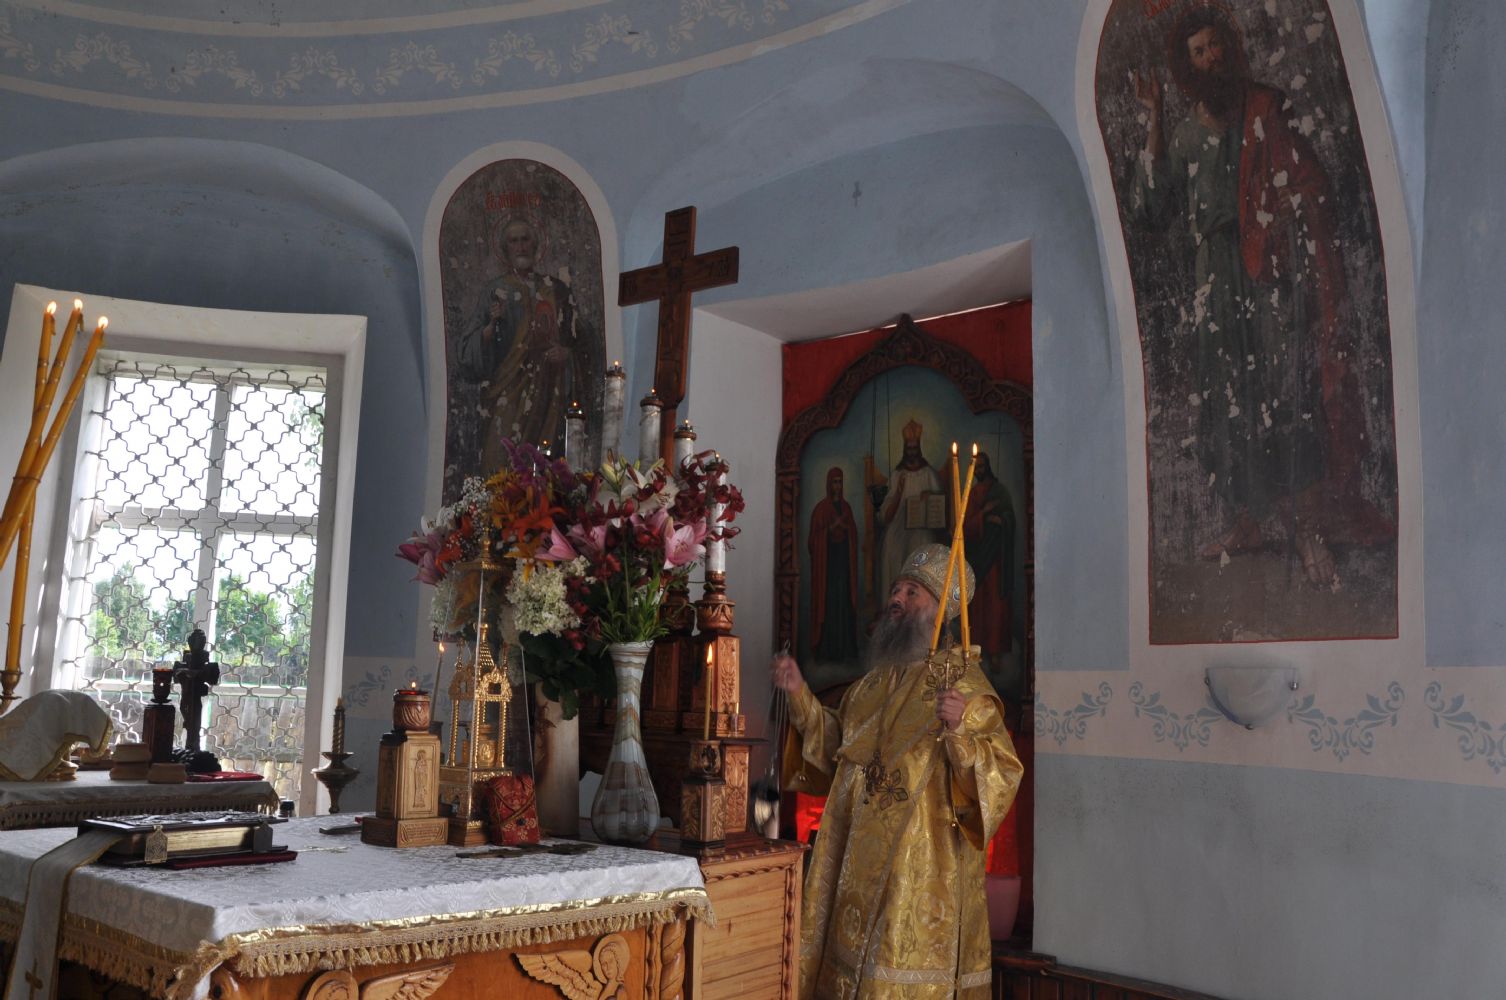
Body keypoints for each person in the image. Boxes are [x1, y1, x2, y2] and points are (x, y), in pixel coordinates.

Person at [1129, 3, 1392, 586]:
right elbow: (1152, 208)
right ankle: (1246, 521)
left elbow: (1312, 182)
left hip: (1267, 271)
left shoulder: (1266, 107)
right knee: (1225, 401)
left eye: (1215, 45)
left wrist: (1283, 218)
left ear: (1229, 46)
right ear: (1188, 65)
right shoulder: (1186, 133)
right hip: (1213, 279)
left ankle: (1309, 530)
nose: (1211, 57)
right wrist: (1154, 117)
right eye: (1199, 51)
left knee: (1285, 391)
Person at [774, 543, 1022, 998]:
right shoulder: (871, 685)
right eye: (896, 589)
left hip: (919, 867)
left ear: (939, 611)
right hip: (854, 861)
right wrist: (799, 695)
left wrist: (959, 731)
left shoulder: (965, 685)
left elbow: (1001, 774)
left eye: (912, 592)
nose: (897, 599)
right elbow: (836, 749)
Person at [457, 217, 582, 467]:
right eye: (514, 241)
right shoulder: (495, 290)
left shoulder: (556, 289)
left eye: (525, 240)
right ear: (505, 249)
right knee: (498, 459)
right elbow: (467, 351)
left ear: (535, 245)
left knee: (544, 464)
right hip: (507, 390)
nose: (521, 247)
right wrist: (490, 327)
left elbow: (581, 343)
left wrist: (566, 354)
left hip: (549, 390)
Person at [876, 419, 945, 594]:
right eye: (909, 449)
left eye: (915, 448)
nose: (912, 452)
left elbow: (941, 505)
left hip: (922, 527)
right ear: (905, 450)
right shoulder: (897, 474)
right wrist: (899, 493)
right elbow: (885, 513)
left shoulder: (928, 473)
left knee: (923, 547)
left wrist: (930, 496)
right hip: (899, 525)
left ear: (919, 449)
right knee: (891, 548)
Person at [961, 451, 1015, 664]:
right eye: (976, 468)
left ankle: (995, 653)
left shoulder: (1000, 491)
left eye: (981, 466)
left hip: (996, 559)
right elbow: (967, 527)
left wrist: (1001, 521)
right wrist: (984, 513)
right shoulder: (972, 493)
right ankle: (977, 653)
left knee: (995, 604)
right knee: (979, 606)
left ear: (988, 466)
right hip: (979, 559)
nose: (979, 471)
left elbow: (1010, 518)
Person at [808, 466, 861, 663]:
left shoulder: (846, 508)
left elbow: (853, 533)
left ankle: (845, 649)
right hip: (827, 567)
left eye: (840, 482)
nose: (837, 486)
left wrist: (846, 528)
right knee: (829, 604)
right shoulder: (821, 509)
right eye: (834, 482)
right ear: (829, 484)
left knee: (844, 603)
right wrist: (829, 529)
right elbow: (812, 541)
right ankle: (826, 650)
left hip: (844, 564)